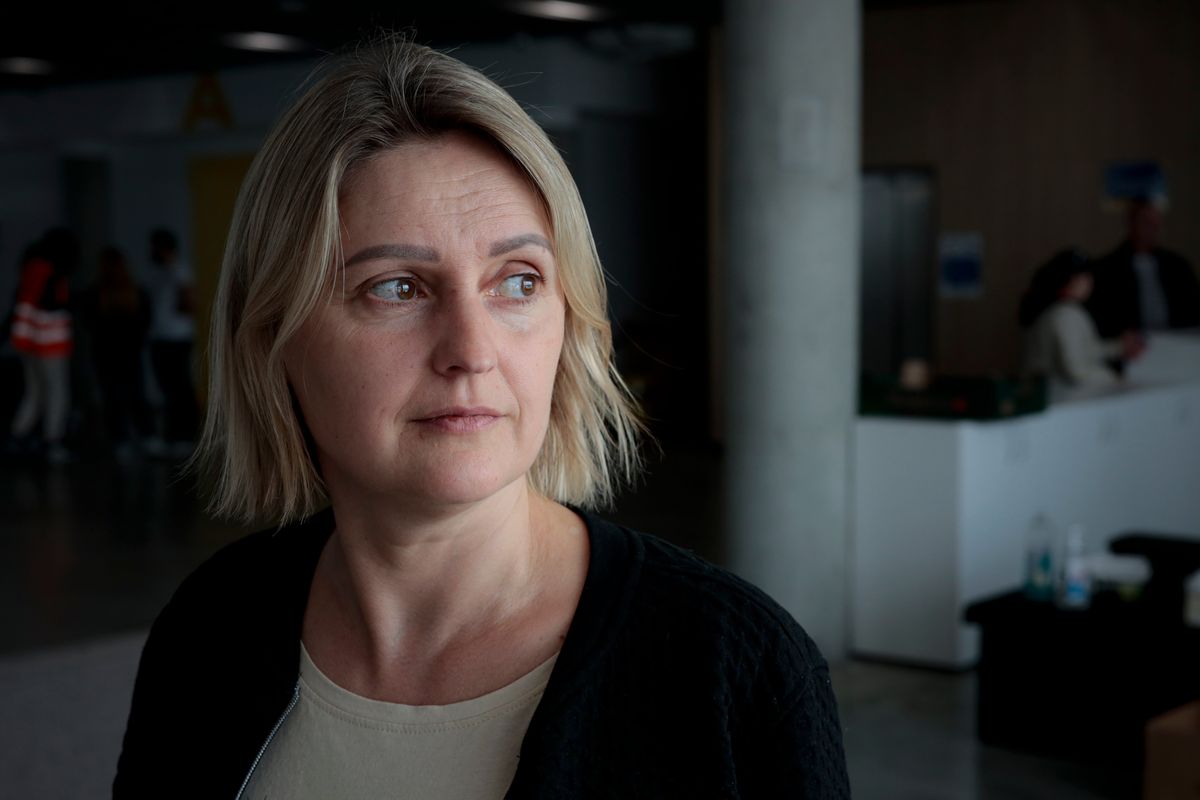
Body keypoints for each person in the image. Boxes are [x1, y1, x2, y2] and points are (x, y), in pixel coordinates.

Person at [114, 36, 849, 798]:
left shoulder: (740, 667)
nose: (472, 351)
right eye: (395, 288)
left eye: (518, 282)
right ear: (273, 337)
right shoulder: (208, 630)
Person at [1020, 249, 1142, 395]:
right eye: (1083, 276)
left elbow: (1087, 349)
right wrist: (1114, 377)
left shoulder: (1067, 310)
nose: (1089, 281)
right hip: (1059, 399)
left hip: (1059, 397)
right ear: (1067, 280)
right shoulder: (1064, 314)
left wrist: (1118, 347)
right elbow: (1076, 372)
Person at [1086, 196, 1200, 339]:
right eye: (1145, 222)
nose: (1151, 229)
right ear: (1131, 223)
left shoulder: (1178, 266)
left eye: (1155, 223)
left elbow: (1193, 309)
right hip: (1132, 347)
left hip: (1176, 342)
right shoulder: (1108, 268)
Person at [8, 229, 76, 462]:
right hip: (50, 343)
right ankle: (52, 441)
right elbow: (53, 304)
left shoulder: (30, 269)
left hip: (28, 343)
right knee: (57, 392)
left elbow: (21, 305)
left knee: (34, 392)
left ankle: (18, 435)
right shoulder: (52, 271)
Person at [84, 246, 152, 460]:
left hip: (116, 351)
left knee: (125, 395)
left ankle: (130, 437)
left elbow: (90, 322)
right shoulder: (103, 292)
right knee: (126, 394)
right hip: (118, 351)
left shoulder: (126, 291)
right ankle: (135, 436)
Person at [142, 227, 197, 458]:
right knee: (167, 387)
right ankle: (174, 435)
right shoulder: (156, 272)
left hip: (177, 337)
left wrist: (179, 307)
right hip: (160, 337)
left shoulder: (180, 272)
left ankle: (186, 436)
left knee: (179, 387)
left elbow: (189, 303)